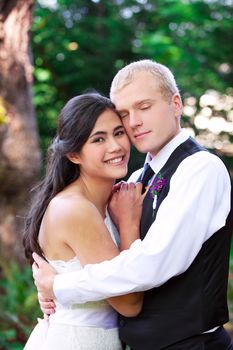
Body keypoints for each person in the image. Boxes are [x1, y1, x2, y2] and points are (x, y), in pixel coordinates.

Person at [32, 60, 233, 350]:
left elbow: (153, 264)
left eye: (144, 106)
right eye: (124, 113)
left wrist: (61, 286)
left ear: (176, 104)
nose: (134, 121)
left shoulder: (200, 168)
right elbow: (79, 241)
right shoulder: (137, 179)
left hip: (190, 344)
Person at [23, 92, 146, 350]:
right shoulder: (76, 209)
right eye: (98, 139)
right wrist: (128, 224)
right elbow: (129, 303)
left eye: (118, 133)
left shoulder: (104, 201)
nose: (115, 146)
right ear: (74, 155)